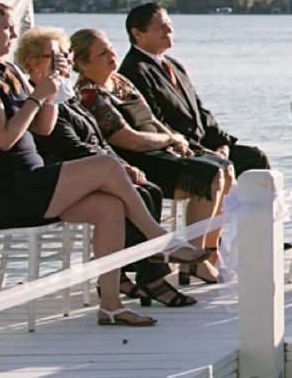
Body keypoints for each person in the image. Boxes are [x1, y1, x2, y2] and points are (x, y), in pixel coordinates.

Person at [0, 0, 201, 327]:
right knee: (106, 166)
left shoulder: (6, 71)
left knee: (108, 207)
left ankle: (110, 305)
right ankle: (158, 240)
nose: (13, 34)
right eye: (6, 28)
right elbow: (4, 139)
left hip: (28, 180)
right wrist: (38, 95)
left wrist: (53, 90)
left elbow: (43, 127)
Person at [18, 26, 192, 308]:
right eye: (56, 57)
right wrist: (117, 169)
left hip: (93, 166)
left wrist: (121, 164)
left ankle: (129, 275)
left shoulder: (65, 96)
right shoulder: (42, 98)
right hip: (64, 175)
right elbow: (68, 146)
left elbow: (97, 140)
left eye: (64, 56)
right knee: (131, 196)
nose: (63, 63)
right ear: (35, 62)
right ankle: (152, 277)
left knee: (149, 190)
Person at [70, 27, 235, 286]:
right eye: (102, 53)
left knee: (224, 167)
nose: (112, 56)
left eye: (111, 48)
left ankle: (207, 249)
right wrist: (169, 139)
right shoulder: (90, 93)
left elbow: (152, 119)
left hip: (160, 149)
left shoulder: (120, 81)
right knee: (208, 175)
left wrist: (176, 139)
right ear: (82, 63)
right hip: (138, 159)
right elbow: (128, 140)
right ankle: (195, 258)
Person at [116, 3, 271, 175]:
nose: (169, 31)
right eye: (160, 27)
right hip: (178, 152)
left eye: (169, 24)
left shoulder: (174, 65)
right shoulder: (134, 71)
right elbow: (154, 121)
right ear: (137, 33)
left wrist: (222, 144)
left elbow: (201, 110)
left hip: (205, 145)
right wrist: (203, 152)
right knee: (218, 168)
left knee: (255, 158)